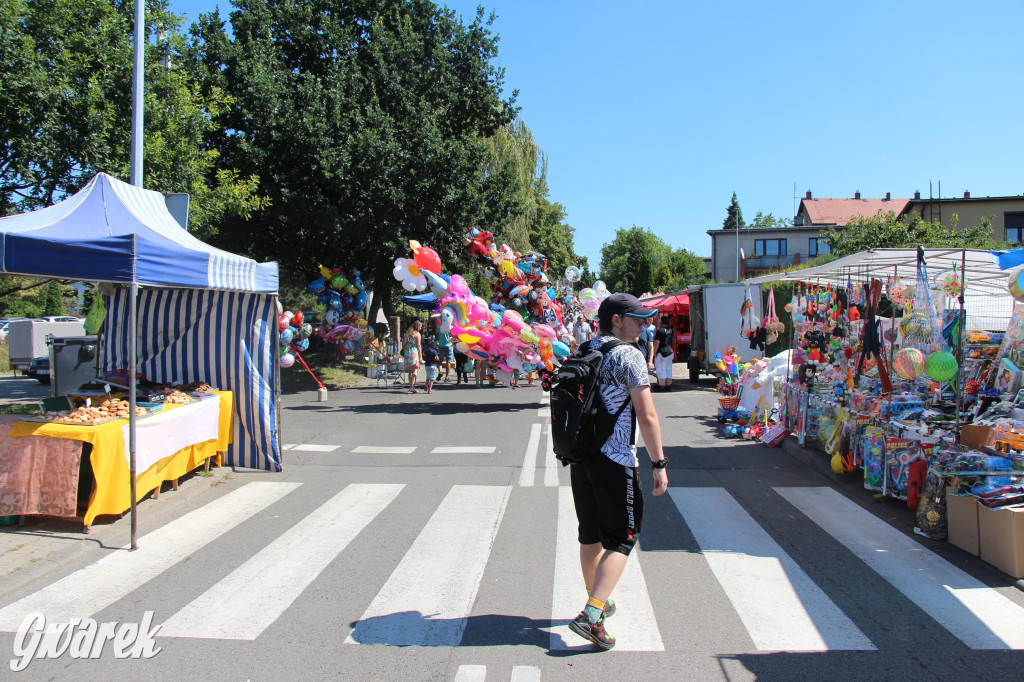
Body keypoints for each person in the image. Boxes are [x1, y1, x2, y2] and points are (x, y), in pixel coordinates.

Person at [568, 293, 668, 650]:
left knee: (590, 534)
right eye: (637, 319)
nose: (644, 325)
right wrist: (658, 463)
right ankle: (591, 615)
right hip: (615, 458)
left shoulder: (583, 349)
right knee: (623, 540)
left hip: (581, 456)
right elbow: (647, 415)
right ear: (615, 320)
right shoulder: (629, 355)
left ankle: (597, 598)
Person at [651, 315, 675, 392]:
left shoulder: (660, 330)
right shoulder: (670, 330)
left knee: (661, 369)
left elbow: (657, 343)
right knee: (668, 368)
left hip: (661, 352)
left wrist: (654, 353)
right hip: (669, 351)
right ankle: (668, 385)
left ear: (661, 321)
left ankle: (662, 385)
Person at [402, 320, 423, 393]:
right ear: (417, 326)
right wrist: (420, 356)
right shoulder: (417, 334)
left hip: (407, 352)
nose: (421, 328)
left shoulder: (407, 333)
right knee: (415, 370)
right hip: (414, 352)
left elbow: (403, 343)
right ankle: (413, 386)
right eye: (420, 327)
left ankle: (410, 387)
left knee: (410, 371)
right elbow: (419, 345)